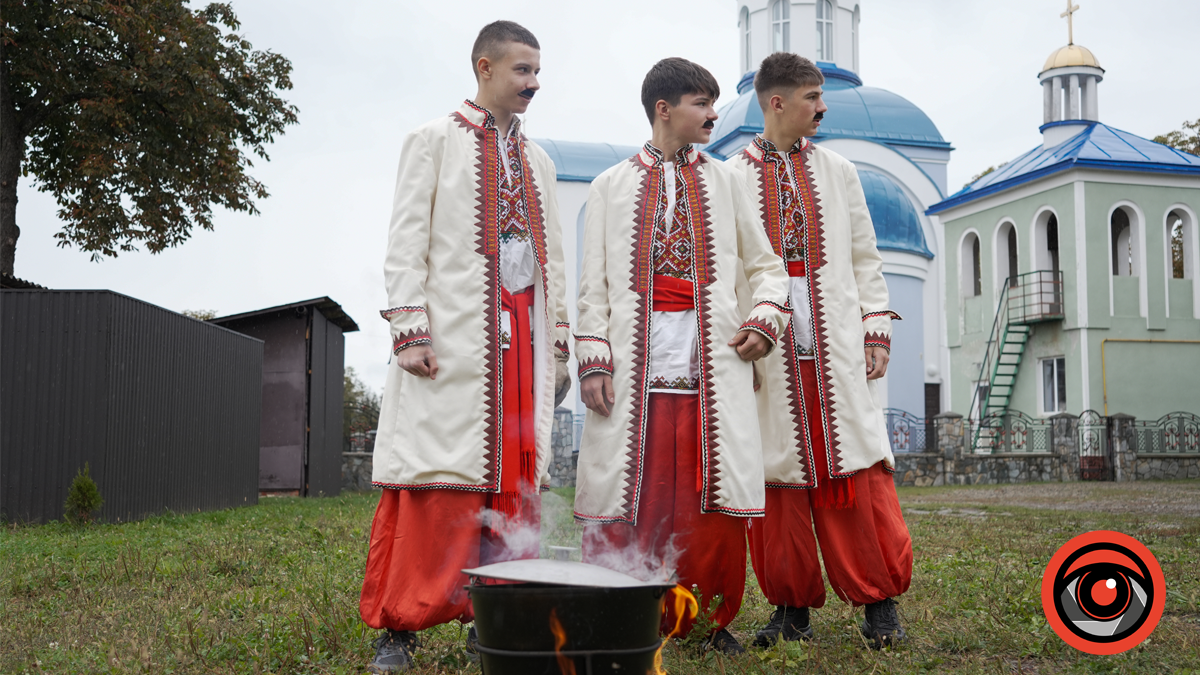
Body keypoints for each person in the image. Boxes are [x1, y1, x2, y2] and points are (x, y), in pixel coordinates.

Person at [359, 20, 572, 673]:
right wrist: (410, 329)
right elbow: (405, 241)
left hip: (523, 340)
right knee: (437, 476)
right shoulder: (432, 140)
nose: (534, 83)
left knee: (514, 479)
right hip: (453, 335)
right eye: (522, 70)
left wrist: (559, 343)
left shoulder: (540, 162)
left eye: (538, 71)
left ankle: (498, 618)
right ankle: (400, 625)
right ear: (485, 67)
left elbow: (554, 261)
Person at [572, 57, 790, 655]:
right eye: (701, 103)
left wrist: (764, 321)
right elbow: (593, 287)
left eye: (714, 102)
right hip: (633, 369)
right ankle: (621, 615)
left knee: (707, 495)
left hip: (711, 366)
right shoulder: (610, 185)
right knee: (633, 495)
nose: (714, 114)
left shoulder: (729, 181)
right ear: (664, 110)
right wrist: (593, 360)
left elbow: (767, 269)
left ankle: (707, 622)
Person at [726, 51, 913, 650]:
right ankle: (789, 609)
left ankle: (880, 604)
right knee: (777, 472)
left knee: (854, 463)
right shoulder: (730, 178)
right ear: (778, 102)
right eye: (812, 97)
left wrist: (875, 328)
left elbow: (864, 256)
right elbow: (726, 271)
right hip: (768, 349)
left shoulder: (839, 170)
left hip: (835, 340)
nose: (822, 107)